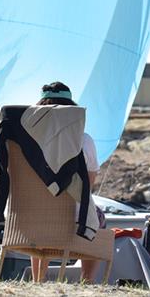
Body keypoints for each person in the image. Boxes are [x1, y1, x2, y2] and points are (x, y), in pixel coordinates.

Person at [29, 82, 105, 283]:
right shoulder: (84, 140)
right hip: (73, 219)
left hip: (32, 219)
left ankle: (38, 280)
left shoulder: (26, 142)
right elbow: (87, 186)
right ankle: (86, 281)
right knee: (98, 217)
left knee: (41, 215)